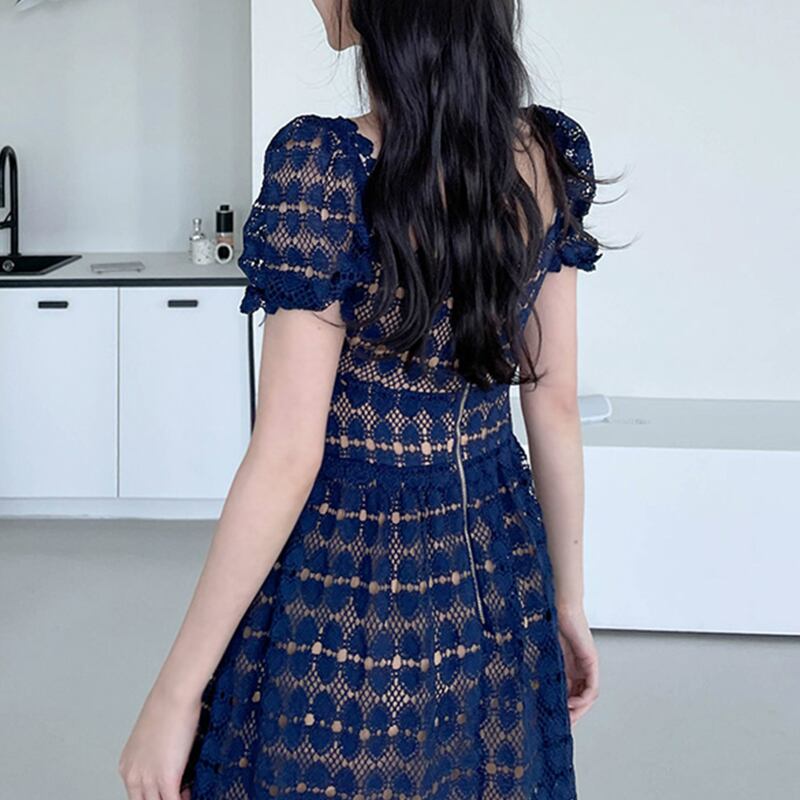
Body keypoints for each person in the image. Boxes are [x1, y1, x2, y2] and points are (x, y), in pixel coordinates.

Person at [119, 1, 605, 798]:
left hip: (353, 574)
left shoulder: (326, 167)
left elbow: (287, 454)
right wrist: (569, 599)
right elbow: (553, 398)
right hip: (499, 563)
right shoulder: (544, 154)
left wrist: (173, 696)